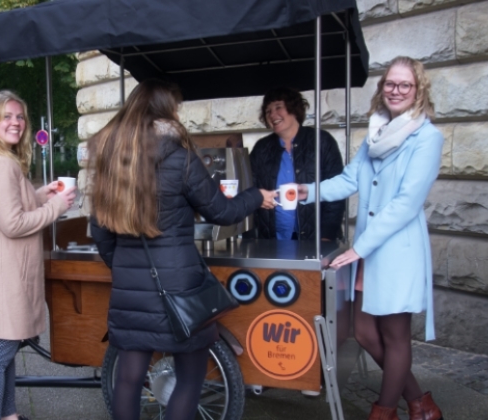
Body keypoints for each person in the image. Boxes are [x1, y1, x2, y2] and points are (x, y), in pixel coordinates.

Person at [88, 79, 276, 420]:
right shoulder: (180, 157)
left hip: (131, 291)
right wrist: (256, 196)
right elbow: (222, 212)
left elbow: (99, 229)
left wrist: (126, 269)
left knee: (128, 379)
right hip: (179, 287)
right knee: (190, 378)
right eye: (175, 106)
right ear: (166, 111)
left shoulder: (111, 160)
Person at [298, 56, 444, 420]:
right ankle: (421, 405)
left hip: (395, 251)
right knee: (362, 332)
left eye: (404, 85)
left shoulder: (427, 137)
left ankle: (384, 412)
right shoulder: (376, 133)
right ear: (382, 89)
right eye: (390, 84)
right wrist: (307, 191)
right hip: (368, 251)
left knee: (395, 336)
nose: (395, 90)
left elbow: (406, 204)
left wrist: (358, 248)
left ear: (418, 90)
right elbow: (350, 180)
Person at [0, 90, 75, 420]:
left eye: (20, 116)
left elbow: (6, 207)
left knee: (3, 351)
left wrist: (39, 194)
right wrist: (56, 206)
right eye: (6, 116)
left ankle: (7, 415)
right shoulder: (0, 164)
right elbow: (13, 223)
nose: (16, 123)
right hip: (2, 277)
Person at [246, 86, 345, 242]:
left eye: (278, 107)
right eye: (268, 111)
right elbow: (249, 191)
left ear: (294, 108)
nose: (273, 115)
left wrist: (326, 236)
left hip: (316, 240)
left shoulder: (321, 141)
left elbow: (337, 191)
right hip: (272, 241)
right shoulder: (261, 148)